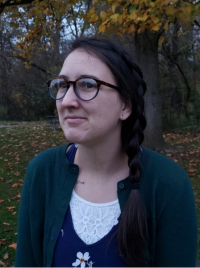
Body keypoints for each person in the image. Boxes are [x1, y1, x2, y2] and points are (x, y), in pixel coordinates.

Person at [15, 37, 197, 268]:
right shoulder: (42, 171)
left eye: (88, 84)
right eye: (62, 85)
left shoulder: (169, 183)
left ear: (125, 106)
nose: (67, 101)